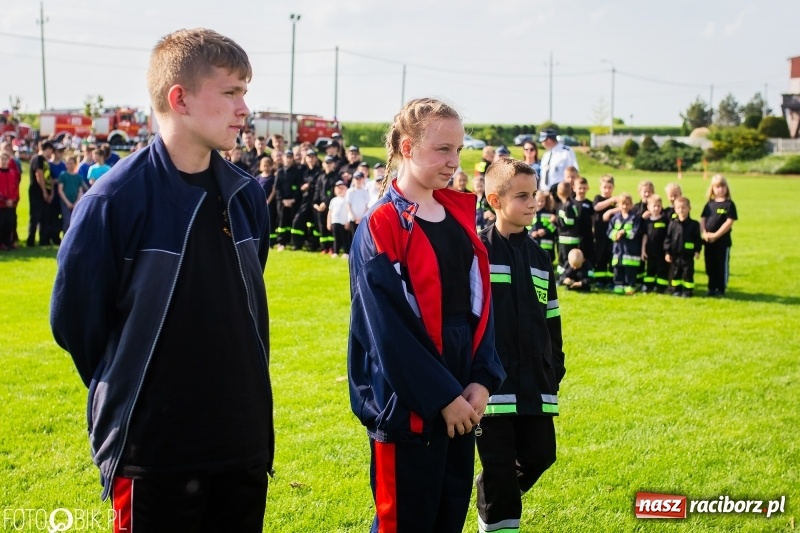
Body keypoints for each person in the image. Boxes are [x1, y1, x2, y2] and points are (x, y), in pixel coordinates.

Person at [50, 28, 274, 532]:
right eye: (232, 92)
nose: (245, 109)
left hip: (243, 443)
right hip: (153, 451)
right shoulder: (113, 202)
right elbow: (76, 324)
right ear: (180, 99)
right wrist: (138, 387)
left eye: (245, 93)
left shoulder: (245, 195)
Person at [348, 98, 505, 533]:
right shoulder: (381, 226)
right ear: (407, 146)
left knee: (446, 519)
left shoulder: (459, 217)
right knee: (406, 523)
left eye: (458, 150)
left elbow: (481, 308)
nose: (453, 162)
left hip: (462, 396)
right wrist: (442, 398)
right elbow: (387, 331)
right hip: (407, 405)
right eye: (442, 149)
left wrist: (482, 379)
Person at [476, 157, 565, 533]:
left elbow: (552, 319)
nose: (533, 203)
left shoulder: (540, 256)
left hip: (535, 383)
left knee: (542, 455)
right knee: (498, 466)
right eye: (523, 196)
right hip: (491, 387)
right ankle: (495, 517)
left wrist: (555, 366)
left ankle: (492, 491)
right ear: (495, 200)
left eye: (535, 195)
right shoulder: (478, 250)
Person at [700, 175, 737, 297]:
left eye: (722, 187)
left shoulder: (729, 205)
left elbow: (729, 222)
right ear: (712, 189)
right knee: (710, 265)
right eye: (717, 187)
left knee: (721, 265)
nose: (720, 189)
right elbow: (703, 219)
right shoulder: (709, 204)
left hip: (722, 242)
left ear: (726, 188)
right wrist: (704, 233)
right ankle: (711, 288)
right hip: (709, 241)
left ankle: (720, 289)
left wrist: (716, 235)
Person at [665, 196, 702, 297]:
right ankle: (676, 290)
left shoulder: (694, 224)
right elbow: (668, 239)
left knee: (687, 273)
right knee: (676, 273)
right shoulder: (672, 224)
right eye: (678, 208)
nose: (681, 210)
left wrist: (697, 250)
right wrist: (667, 252)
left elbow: (698, 239)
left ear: (689, 208)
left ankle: (687, 291)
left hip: (688, 255)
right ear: (675, 209)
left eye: (683, 208)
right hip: (675, 255)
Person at [607, 193, 642, 295]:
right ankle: (618, 285)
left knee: (630, 270)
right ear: (618, 205)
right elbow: (609, 231)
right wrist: (615, 234)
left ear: (631, 205)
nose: (625, 206)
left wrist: (624, 233)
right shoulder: (615, 218)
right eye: (622, 204)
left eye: (627, 204)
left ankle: (629, 285)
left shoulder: (635, 218)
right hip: (618, 250)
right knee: (618, 269)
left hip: (630, 250)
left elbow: (635, 232)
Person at [27, 140, 55, 247]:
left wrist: (51, 193)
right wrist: (44, 192)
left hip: (46, 193)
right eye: (51, 150)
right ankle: (31, 241)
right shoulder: (37, 159)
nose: (51, 152)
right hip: (37, 193)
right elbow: (39, 175)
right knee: (35, 217)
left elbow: (50, 178)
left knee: (45, 217)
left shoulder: (46, 161)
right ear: (47, 148)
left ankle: (43, 240)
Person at [641, 194, 669, 294]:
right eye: (654, 206)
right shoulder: (647, 222)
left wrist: (667, 251)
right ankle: (648, 286)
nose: (656, 208)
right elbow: (645, 236)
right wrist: (643, 250)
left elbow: (667, 236)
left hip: (661, 251)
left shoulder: (665, 220)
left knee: (662, 269)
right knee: (650, 269)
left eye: (659, 206)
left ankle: (661, 288)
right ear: (648, 207)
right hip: (650, 250)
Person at [592, 175, 617, 288]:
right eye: (605, 187)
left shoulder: (615, 203)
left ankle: (612, 280)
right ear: (600, 187)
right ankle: (600, 280)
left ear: (613, 188)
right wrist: (611, 200)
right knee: (600, 257)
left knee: (611, 257)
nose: (607, 190)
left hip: (612, 235)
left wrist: (611, 211)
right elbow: (597, 207)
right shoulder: (598, 198)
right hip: (600, 235)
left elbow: (623, 208)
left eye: (609, 187)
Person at [554, 181, 580, 274]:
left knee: (565, 259)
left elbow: (569, 222)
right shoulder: (566, 204)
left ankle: (565, 276)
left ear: (559, 192)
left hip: (568, 239)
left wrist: (556, 220)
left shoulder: (568, 206)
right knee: (563, 258)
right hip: (566, 238)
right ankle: (563, 275)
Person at [57, 155, 86, 233]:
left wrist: (77, 202)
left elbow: (80, 191)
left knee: (75, 221)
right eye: (68, 163)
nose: (69, 165)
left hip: (75, 202)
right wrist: (67, 202)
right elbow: (60, 190)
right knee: (67, 221)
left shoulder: (78, 177)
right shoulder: (63, 175)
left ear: (75, 164)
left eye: (71, 163)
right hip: (65, 202)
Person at [573, 176, 594, 274]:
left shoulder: (590, 204)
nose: (582, 190)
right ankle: (571, 275)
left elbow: (593, 219)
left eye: (584, 188)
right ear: (574, 188)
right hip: (574, 236)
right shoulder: (571, 203)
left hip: (587, 237)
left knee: (587, 257)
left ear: (587, 188)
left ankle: (587, 276)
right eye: (579, 188)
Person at [0, 151, 20, 249]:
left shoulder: (13, 173)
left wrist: (13, 200)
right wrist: (4, 200)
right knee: (1, 224)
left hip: (11, 204)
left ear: (9, 160)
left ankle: (10, 242)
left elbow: (15, 188)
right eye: (2, 159)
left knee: (10, 223)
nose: (3, 161)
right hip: (1, 205)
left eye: (5, 159)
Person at [257, 157, 278, 246]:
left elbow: (273, 191)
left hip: (269, 204)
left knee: (270, 221)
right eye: (264, 166)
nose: (266, 168)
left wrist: (268, 201)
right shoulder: (258, 178)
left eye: (268, 166)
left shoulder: (272, 178)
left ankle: (271, 241)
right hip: (260, 204)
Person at [530, 190, 556, 262]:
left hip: (547, 244)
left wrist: (545, 231)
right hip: (534, 243)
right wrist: (531, 233)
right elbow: (526, 226)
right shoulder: (530, 213)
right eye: (538, 201)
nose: (540, 203)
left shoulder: (549, 213)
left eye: (542, 201)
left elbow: (554, 226)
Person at [327, 180, 350, 257]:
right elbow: (330, 212)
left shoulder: (347, 200)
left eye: (342, 188)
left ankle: (346, 252)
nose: (340, 190)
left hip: (343, 222)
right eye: (338, 188)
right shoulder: (333, 200)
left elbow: (348, 211)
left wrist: (347, 222)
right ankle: (335, 252)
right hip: (335, 221)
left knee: (344, 238)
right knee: (336, 238)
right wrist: (328, 222)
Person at [345, 170, 370, 236]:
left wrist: (363, 216)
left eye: (360, 179)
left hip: (362, 219)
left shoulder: (365, 191)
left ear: (363, 180)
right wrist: (353, 216)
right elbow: (348, 205)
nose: (358, 181)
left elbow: (367, 205)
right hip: (353, 218)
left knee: (361, 236)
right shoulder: (350, 191)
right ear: (353, 180)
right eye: (356, 179)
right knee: (353, 236)